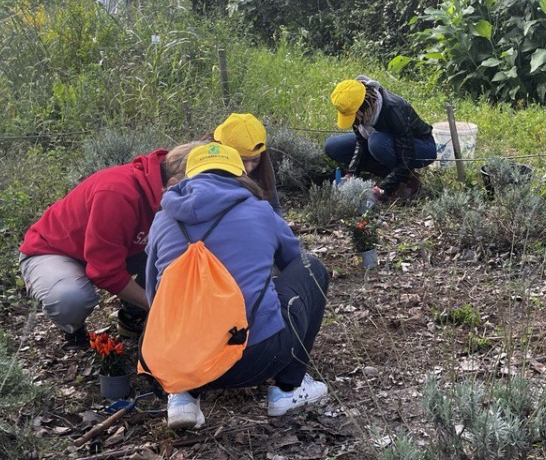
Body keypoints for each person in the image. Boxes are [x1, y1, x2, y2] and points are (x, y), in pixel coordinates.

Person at [145, 143, 330, 430]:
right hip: (256, 358)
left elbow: (154, 296)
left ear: (189, 175)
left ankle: (182, 396)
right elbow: (294, 261)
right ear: (240, 174)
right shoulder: (260, 210)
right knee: (312, 268)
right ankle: (289, 390)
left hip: (180, 363)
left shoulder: (162, 219)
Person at [20, 148, 170, 351]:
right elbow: (105, 272)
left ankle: (132, 317)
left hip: (119, 249)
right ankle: (72, 329)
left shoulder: (170, 185)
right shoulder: (117, 193)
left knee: (171, 254)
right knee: (70, 298)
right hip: (55, 251)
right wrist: (158, 306)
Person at [323, 77, 436, 204]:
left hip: (421, 146)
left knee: (376, 142)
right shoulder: (358, 108)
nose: (354, 122)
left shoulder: (392, 109)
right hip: (385, 142)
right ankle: (388, 172)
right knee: (332, 146)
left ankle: (408, 180)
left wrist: (381, 189)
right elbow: (361, 143)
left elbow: (407, 156)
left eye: (353, 116)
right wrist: (351, 173)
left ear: (365, 106)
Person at [210, 112, 282, 214]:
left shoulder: (263, 162)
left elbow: (274, 205)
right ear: (224, 151)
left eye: (255, 160)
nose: (248, 168)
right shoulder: (208, 164)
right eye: (242, 160)